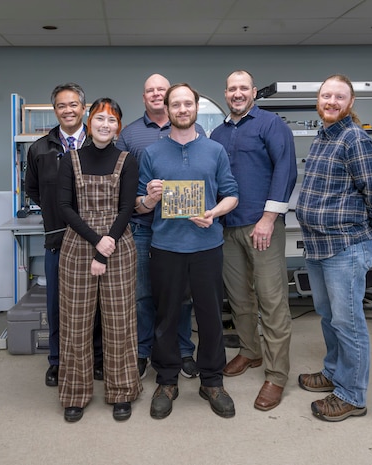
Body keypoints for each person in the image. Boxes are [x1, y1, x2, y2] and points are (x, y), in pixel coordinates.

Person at [135, 83, 239, 419]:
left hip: (207, 246)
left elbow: (231, 194)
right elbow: (139, 205)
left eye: (187, 104)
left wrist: (214, 213)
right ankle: (166, 380)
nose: (181, 109)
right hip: (165, 247)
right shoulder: (152, 154)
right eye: (175, 104)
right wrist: (150, 198)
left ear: (195, 107)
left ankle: (212, 380)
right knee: (166, 317)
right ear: (167, 108)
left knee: (210, 317)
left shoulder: (215, 151)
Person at [295, 74, 372, 422]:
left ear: (350, 103)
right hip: (319, 246)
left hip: (344, 248)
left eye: (339, 97)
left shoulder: (355, 139)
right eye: (326, 96)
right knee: (329, 316)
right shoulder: (324, 137)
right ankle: (335, 373)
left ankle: (352, 395)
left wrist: (365, 236)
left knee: (348, 322)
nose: (331, 102)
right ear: (318, 101)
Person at [210, 70, 297, 411]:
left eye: (243, 88)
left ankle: (276, 375)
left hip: (262, 226)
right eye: (231, 88)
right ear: (226, 93)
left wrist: (268, 218)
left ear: (254, 92)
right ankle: (250, 351)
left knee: (271, 300)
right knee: (239, 298)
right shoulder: (217, 132)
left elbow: (285, 170)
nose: (237, 93)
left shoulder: (270, 124)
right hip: (228, 228)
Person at [57, 98, 142, 422]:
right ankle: (75, 393)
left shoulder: (127, 160)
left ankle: (122, 390)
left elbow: (126, 208)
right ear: (88, 122)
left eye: (112, 120)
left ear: (118, 126)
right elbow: (65, 207)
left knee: (120, 323)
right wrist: (97, 243)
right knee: (75, 323)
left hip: (119, 246)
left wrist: (106, 246)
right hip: (79, 246)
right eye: (99, 118)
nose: (105, 125)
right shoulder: (71, 160)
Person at [116, 74, 205, 380]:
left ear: (170, 97)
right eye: (149, 90)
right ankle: (143, 350)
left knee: (181, 295)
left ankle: (183, 350)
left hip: (181, 228)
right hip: (142, 227)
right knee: (142, 295)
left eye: (161, 90)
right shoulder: (129, 136)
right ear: (144, 98)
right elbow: (122, 186)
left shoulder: (194, 130)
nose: (156, 94)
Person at [25, 82, 103, 387]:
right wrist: (58, 210)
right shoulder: (40, 148)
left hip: (95, 240)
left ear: (83, 108)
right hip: (58, 239)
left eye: (73, 105)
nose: (68, 110)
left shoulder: (99, 143)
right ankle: (57, 361)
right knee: (58, 305)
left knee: (97, 303)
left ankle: (97, 357)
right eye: (61, 106)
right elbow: (32, 188)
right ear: (55, 110)